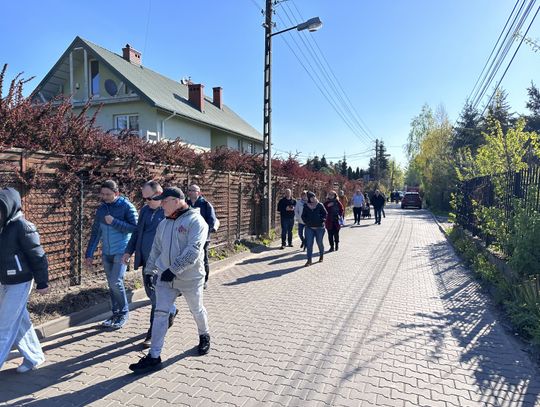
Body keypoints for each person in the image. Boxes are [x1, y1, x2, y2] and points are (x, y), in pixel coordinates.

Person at [129, 187, 210, 374]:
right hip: (166, 279)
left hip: (190, 278)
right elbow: (156, 249)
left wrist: (173, 270)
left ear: (175, 200)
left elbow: (193, 252)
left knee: (196, 309)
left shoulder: (196, 221)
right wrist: (149, 271)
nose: (161, 205)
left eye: (163, 201)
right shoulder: (164, 223)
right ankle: (154, 356)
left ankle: (204, 335)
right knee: (160, 314)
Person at [122, 181, 177, 348]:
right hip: (147, 262)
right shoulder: (145, 210)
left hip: (162, 264)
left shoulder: (169, 212)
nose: (146, 201)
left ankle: (153, 333)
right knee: (153, 295)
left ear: (159, 194)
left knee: (157, 299)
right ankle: (171, 310)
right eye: (144, 198)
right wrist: (128, 251)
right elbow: (138, 232)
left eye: (149, 198)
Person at [0, 187, 49, 373]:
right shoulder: (2, 226)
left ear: (9, 207)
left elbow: (38, 256)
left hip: (20, 282)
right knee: (19, 321)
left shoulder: (23, 226)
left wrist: (42, 282)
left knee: (4, 325)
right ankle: (35, 356)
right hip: (5, 281)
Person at [85, 180, 138, 329]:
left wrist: (114, 222)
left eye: (108, 194)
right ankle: (115, 314)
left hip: (122, 251)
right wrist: (89, 254)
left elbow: (135, 228)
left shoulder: (127, 206)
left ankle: (123, 313)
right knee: (111, 284)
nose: (104, 197)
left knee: (116, 281)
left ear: (117, 193)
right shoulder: (101, 209)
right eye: (102, 194)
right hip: (106, 252)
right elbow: (96, 233)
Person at [186, 184, 217, 290]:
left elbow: (211, 221)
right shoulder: (186, 203)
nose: (190, 192)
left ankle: (204, 281)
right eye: (189, 190)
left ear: (198, 193)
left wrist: (204, 233)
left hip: (203, 238)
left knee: (203, 259)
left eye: (192, 190)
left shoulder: (205, 204)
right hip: (188, 238)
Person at [301, 191, 327, 267]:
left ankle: (321, 255)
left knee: (319, 242)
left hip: (319, 228)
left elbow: (325, 214)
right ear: (309, 199)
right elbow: (303, 216)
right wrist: (307, 222)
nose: (313, 198)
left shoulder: (320, 205)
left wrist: (322, 220)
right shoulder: (306, 206)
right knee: (309, 244)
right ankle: (309, 260)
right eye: (311, 197)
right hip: (309, 228)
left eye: (314, 197)